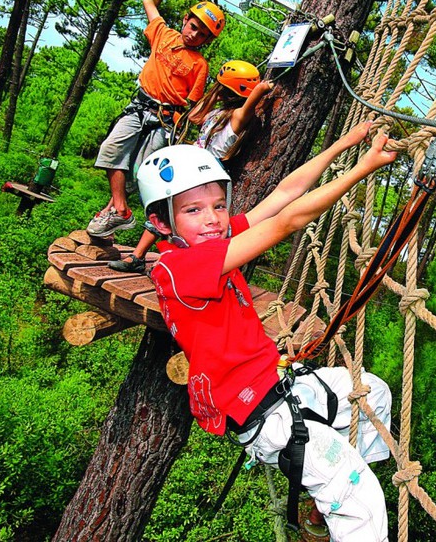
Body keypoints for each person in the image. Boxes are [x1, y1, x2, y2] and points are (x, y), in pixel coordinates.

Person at [137, 122, 396, 541]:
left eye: (219, 206)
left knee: (372, 392)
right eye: (193, 210)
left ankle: (318, 513)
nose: (212, 220)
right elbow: (287, 222)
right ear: (162, 224)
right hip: (261, 412)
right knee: (361, 494)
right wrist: (362, 168)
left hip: (277, 382)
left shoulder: (210, 243)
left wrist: (345, 143)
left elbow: (283, 195)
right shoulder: (180, 268)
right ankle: (339, 500)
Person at [86, 0, 225, 238]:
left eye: (202, 35)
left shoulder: (200, 65)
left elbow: (191, 105)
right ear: (185, 20)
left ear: (207, 41)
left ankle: (114, 211)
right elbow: (149, 2)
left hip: (164, 120)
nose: (194, 35)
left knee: (140, 173)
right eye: (193, 26)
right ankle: (122, 211)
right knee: (112, 150)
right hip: (138, 107)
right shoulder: (164, 35)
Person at [107, 60, 272, 273]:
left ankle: (159, 261)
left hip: (205, 176)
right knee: (166, 210)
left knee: (183, 219)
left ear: (224, 91)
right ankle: (138, 256)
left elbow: (258, 91)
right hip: (192, 166)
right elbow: (194, 116)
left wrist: (265, 86)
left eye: (219, 89)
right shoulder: (215, 114)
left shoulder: (238, 117)